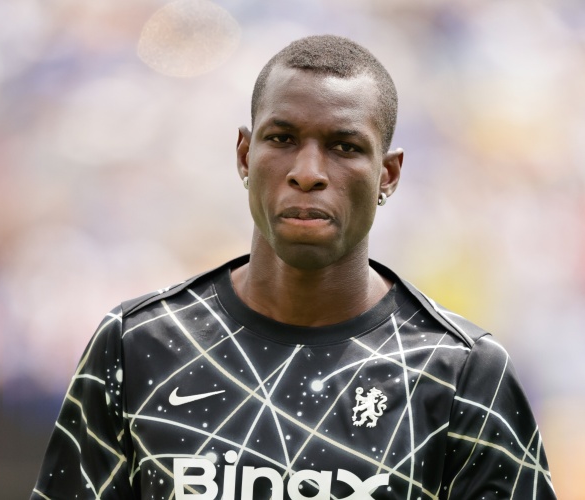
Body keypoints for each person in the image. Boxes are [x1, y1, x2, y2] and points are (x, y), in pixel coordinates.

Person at [32, 35, 555, 500]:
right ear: (244, 154)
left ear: (388, 175)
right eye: (282, 139)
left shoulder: (463, 373)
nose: (308, 173)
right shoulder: (136, 344)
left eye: (344, 146)